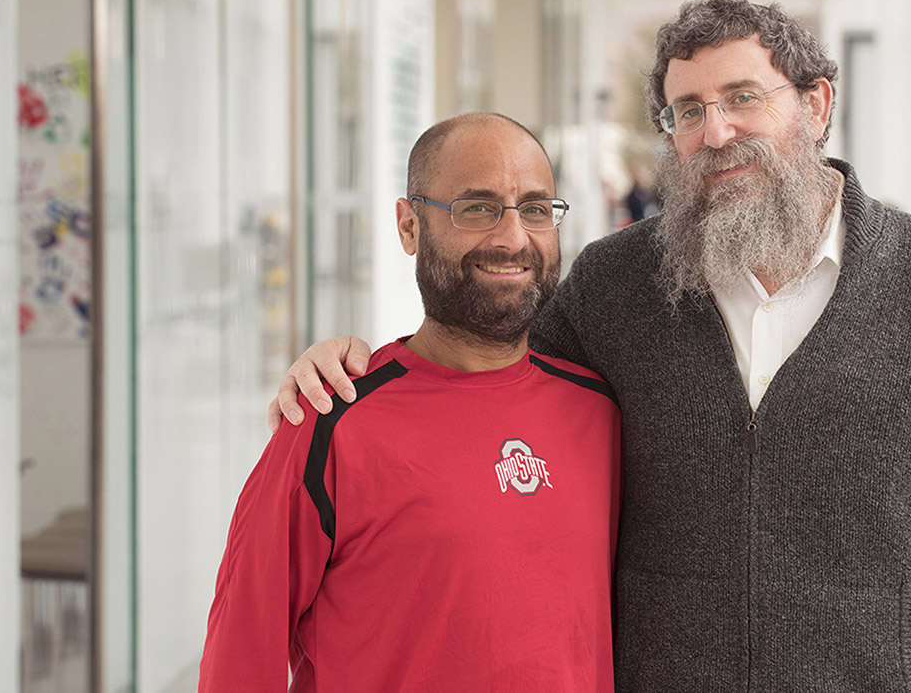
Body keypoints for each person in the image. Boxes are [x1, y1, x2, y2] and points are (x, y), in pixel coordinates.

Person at [272, 0, 911, 691]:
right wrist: (359, 363)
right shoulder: (613, 287)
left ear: (818, 103)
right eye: (686, 110)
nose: (714, 131)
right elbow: (490, 381)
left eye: (741, 98)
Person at [201, 113, 621, 691]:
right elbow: (240, 659)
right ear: (409, 226)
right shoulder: (330, 419)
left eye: (534, 209)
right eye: (477, 208)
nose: (512, 237)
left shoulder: (601, 414)